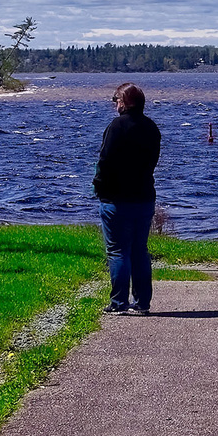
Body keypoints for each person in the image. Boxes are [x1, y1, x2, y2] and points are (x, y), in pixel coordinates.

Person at [93, 82, 161, 314]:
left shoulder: (117, 127)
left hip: (116, 198)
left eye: (116, 100)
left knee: (118, 251)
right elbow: (153, 161)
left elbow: (105, 161)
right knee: (139, 250)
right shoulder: (151, 127)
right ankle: (142, 302)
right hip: (144, 196)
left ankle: (119, 302)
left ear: (123, 102)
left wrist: (99, 186)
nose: (115, 104)